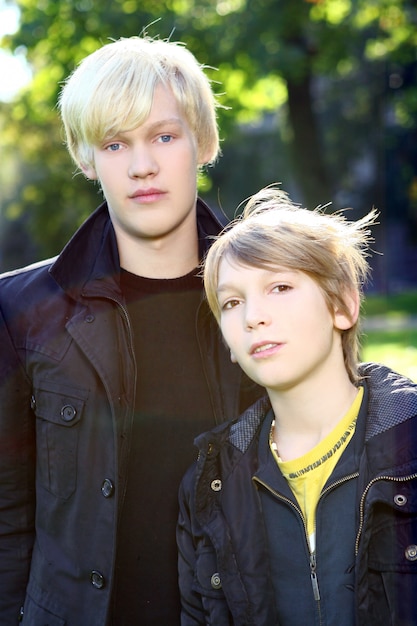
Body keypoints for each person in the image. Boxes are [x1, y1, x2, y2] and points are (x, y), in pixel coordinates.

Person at [0, 36, 262, 625]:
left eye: (164, 137)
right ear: (86, 157)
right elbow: (6, 517)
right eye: (115, 143)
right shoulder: (19, 310)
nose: (142, 165)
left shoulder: (268, 302)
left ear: (203, 142)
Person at [177, 186, 417, 625]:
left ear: (343, 305)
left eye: (280, 286)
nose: (252, 315)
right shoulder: (208, 486)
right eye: (232, 302)